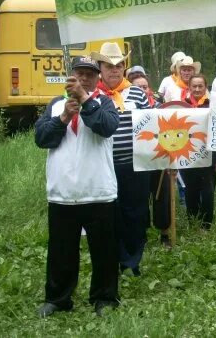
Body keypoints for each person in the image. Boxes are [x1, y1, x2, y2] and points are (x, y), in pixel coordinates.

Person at [34, 56, 120, 317]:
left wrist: (84, 100)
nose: (84, 78)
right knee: (61, 251)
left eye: (90, 74)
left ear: (98, 78)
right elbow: (41, 139)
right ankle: (58, 298)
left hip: (98, 190)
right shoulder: (56, 104)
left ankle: (105, 298)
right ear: (72, 75)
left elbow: (106, 127)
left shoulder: (105, 102)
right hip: (63, 193)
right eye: (80, 73)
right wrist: (62, 117)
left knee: (104, 251)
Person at [90, 42, 151, 277]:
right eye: (108, 66)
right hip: (102, 165)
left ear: (124, 67)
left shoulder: (137, 93)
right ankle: (112, 258)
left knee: (135, 213)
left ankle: (132, 261)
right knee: (108, 214)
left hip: (136, 164)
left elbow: (150, 125)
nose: (114, 70)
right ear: (100, 68)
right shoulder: (92, 95)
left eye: (118, 65)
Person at [180, 74, 216, 229]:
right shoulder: (182, 105)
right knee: (190, 190)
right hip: (187, 154)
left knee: (208, 191)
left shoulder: (213, 105)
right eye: (194, 86)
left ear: (206, 88)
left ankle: (206, 224)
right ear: (189, 88)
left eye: (200, 86)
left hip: (209, 155)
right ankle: (193, 221)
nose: (197, 89)